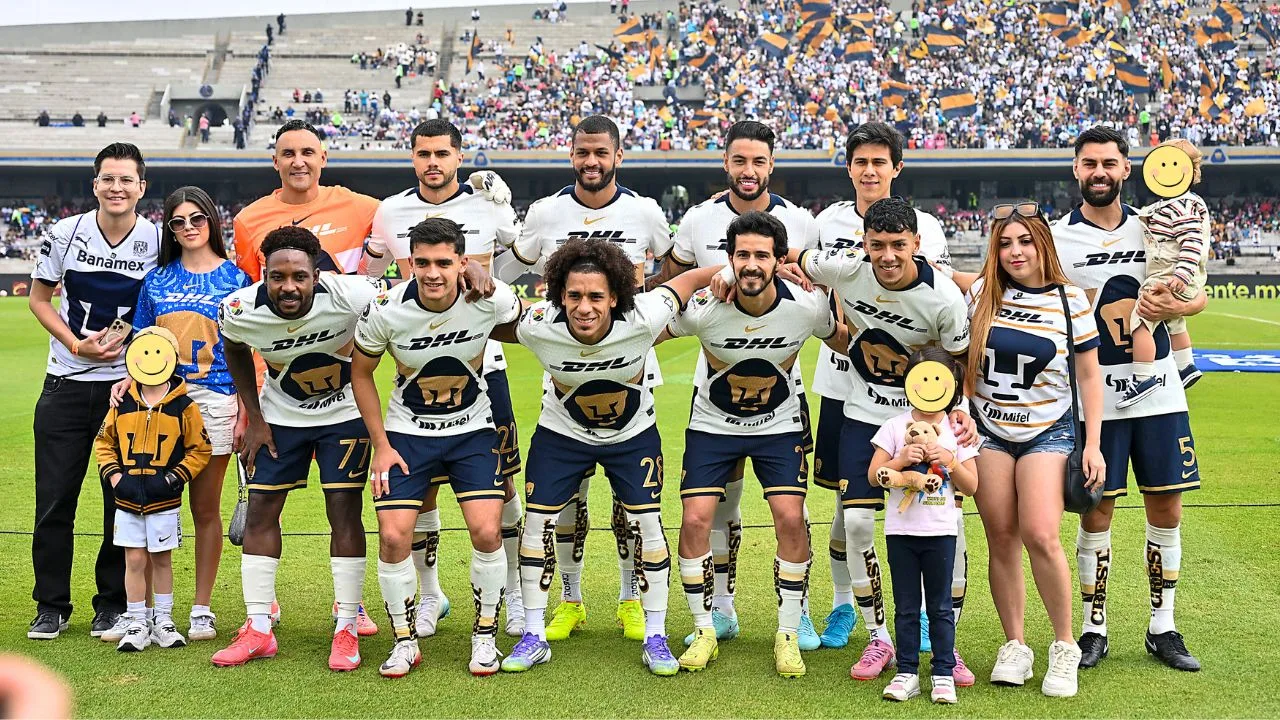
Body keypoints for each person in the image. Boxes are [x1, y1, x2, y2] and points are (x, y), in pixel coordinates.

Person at [770, 197, 975, 683]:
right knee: (858, 522)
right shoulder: (842, 267)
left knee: (950, 527)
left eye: (898, 245)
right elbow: (791, 256)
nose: (887, 255)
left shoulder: (944, 297)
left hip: (927, 418)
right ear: (863, 243)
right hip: (863, 415)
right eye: (877, 244)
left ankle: (946, 639)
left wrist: (959, 414)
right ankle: (879, 636)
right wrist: (748, 274)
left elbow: (963, 363)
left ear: (917, 245)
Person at [493, 238, 721, 676]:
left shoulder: (644, 314)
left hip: (632, 435)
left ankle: (656, 635)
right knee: (538, 523)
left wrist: (728, 274)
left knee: (648, 524)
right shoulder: (539, 324)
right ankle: (534, 634)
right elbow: (493, 316)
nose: (584, 307)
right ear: (558, 294)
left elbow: (691, 277)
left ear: (615, 296)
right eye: (574, 295)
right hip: (561, 435)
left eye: (596, 296)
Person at [493, 114, 673, 644]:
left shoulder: (644, 211)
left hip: (630, 369)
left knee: (629, 504)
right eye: (581, 153)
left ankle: (630, 600)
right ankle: (569, 600)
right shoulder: (547, 213)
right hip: (565, 373)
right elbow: (509, 269)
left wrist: (639, 321)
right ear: (571, 156)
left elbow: (670, 268)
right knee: (565, 502)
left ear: (619, 156)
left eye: (601, 153)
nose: (591, 162)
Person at [649, 120, 821, 651]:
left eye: (759, 162)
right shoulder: (698, 219)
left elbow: (829, 309)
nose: (749, 171)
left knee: (791, 513)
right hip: (714, 395)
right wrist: (709, 279)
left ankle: (797, 617)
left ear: (772, 165)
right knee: (712, 511)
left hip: (779, 400)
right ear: (726, 162)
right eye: (739, 161)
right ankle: (716, 613)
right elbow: (664, 296)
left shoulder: (800, 222)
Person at [809, 123, 965, 670]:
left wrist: (956, 412)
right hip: (848, 387)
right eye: (861, 161)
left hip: (921, 401)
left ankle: (934, 622)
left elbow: (951, 335)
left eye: (880, 161)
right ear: (849, 167)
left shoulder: (931, 255)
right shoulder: (830, 229)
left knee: (934, 510)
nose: (870, 170)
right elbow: (799, 267)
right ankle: (851, 609)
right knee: (849, 510)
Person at [360, 119, 523, 639]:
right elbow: (368, 273)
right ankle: (429, 597)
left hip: (484, 366)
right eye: (423, 153)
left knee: (502, 488)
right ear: (412, 158)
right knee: (421, 492)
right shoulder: (391, 211)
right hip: (419, 369)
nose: (433, 162)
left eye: (443, 153)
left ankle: (514, 595)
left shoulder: (484, 207)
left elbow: (522, 266)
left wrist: (503, 225)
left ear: (459, 157)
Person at [666, 211, 845, 678]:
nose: (751, 264)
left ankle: (787, 631)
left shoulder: (806, 305)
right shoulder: (706, 306)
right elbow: (650, 322)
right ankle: (706, 627)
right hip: (712, 426)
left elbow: (844, 341)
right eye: (742, 254)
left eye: (761, 255)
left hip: (778, 426)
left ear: (779, 260)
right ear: (729, 259)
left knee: (790, 517)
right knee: (695, 519)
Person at [1052, 126, 1204, 672]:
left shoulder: (1156, 226)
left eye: (1110, 163)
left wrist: (1176, 308)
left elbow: (1197, 294)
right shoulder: (1054, 238)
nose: (1099, 172)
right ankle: (1094, 629)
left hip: (1159, 393)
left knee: (1166, 507)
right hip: (1097, 403)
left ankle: (1162, 626)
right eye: (1089, 163)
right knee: (1096, 512)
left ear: (1126, 169)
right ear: (1076, 170)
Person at [210, 227, 382, 670]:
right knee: (263, 511)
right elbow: (233, 349)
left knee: (343, 510)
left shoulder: (353, 293)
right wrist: (255, 417)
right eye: (277, 276)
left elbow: (403, 305)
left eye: (300, 276)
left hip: (343, 414)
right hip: (280, 418)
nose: (289, 286)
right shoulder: (238, 309)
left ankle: (346, 626)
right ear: (264, 274)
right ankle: (258, 628)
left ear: (317, 274)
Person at [961, 202, 1105, 697]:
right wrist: (960, 409)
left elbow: (1089, 374)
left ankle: (1064, 646)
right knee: (1001, 536)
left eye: (1024, 241)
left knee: (1041, 534)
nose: (1015, 252)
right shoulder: (982, 293)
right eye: (1004, 243)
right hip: (989, 431)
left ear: (1043, 242)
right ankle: (1015, 645)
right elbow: (965, 361)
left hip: (1048, 430)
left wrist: (1095, 445)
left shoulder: (1070, 300)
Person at [27, 143, 161, 641]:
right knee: (55, 500)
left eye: (127, 180)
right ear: (95, 184)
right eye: (108, 178)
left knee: (120, 502)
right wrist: (74, 345)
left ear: (141, 188)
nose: (117, 187)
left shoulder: (156, 239)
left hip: (127, 392)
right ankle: (50, 605)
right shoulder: (66, 232)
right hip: (64, 384)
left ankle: (111, 603)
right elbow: (40, 299)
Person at [122, 186, 252, 642]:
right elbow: (141, 345)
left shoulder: (236, 280)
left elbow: (246, 350)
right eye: (178, 222)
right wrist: (131, 383)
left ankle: (201, 608)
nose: (189, 227)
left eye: (197, 218)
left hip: (216, 400)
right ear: (170, 230)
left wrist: (245, 410)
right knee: (155, 507)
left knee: (205, 509)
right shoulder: (156, 281)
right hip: (160, 402)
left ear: (212, 221)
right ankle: (154, 611)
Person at [871, 348, 978, 705]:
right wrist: (901, 459)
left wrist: (949, 461)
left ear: (951, 384)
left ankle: (943, 672)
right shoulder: (894, 426)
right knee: (904, 605)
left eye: (938, 379)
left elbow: (972, 485)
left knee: (940, 606)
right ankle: (907, 672)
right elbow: (875, 474)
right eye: (922, 378)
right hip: (901, 533)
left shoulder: (958, 430)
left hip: (941, 531)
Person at [95, 327, 211, 652]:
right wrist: (117, 478)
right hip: (128, 497)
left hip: (164, 498)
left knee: (161, 559)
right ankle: (136, 621)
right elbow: (104, 441)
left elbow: (200, 449)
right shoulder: (121, 403)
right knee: (133, 559)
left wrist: (174, 479)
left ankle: (163, 620)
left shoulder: (184, 406)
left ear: (173, 358)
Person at [1119, 139, 1210, 408]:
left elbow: (1192, 241)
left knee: (1141, 318)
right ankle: (1186, 366)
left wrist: (1181, 275)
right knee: (1175, 320)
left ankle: (1142, 378)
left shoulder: (1181, 205)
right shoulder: (1184, 203)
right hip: (1179, 274)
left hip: (1169, 272)